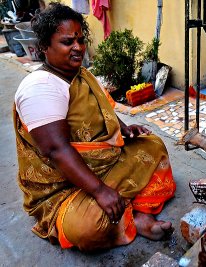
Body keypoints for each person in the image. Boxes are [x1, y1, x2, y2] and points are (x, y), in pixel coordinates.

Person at [13, 2, 176, 251]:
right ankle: (133, 217)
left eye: (80, 40)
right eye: (68, 42)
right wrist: (99, 190)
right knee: (89, 228)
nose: (78, 47)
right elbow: (56, 150)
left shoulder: (80, 74)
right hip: (63, 187)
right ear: (45, 47)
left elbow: (103, 109)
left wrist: (123, 128)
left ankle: (136, 213)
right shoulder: (40, 87)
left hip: (104, 164)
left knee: (153, 146)